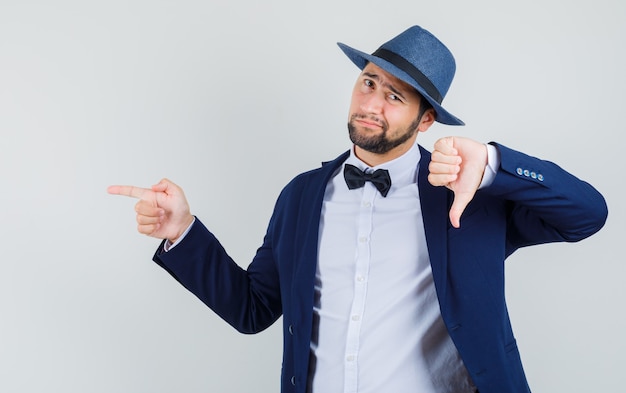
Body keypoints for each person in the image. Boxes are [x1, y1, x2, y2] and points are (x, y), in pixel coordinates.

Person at [108, 25, 608, 393]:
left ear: (426, 119)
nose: (372, 103)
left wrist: (495, 163)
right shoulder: (301, 195)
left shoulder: (470, 195)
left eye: (395, 95)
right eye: (368, 82)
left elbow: (588, 213)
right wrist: (183, 231)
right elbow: (253, 308)